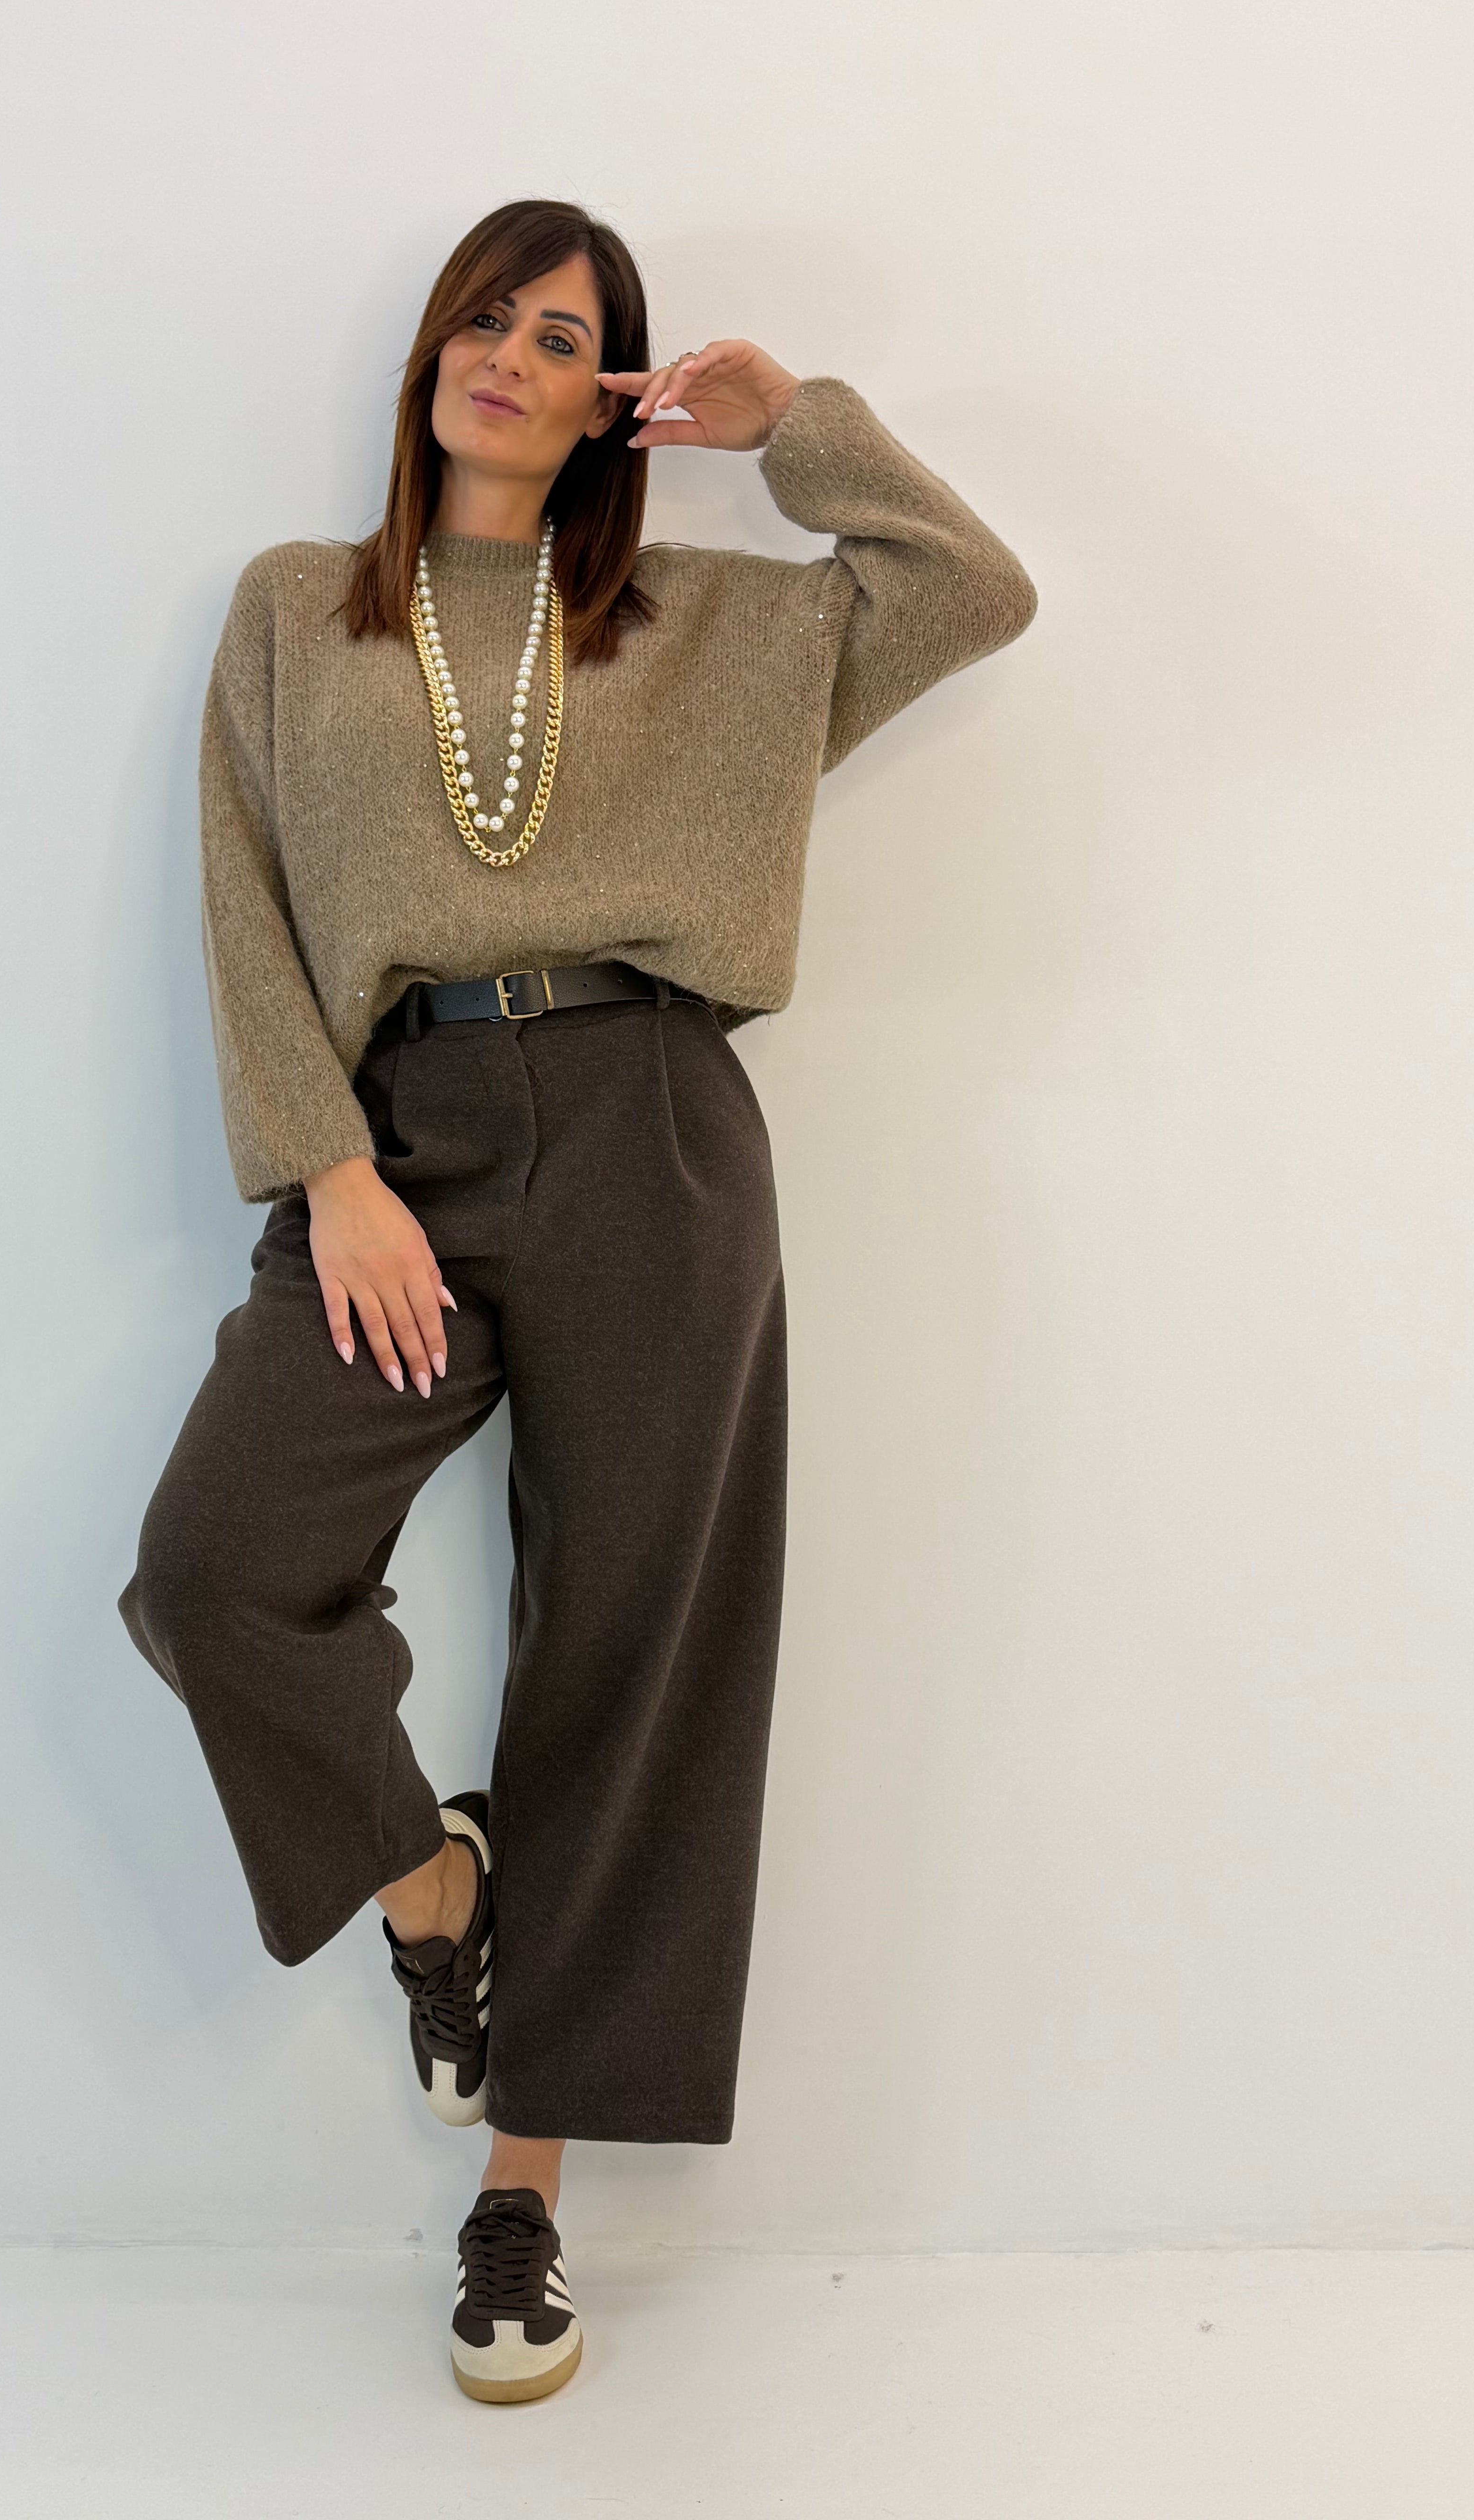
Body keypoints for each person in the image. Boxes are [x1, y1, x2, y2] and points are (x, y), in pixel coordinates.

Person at [119, 196, 1037, 2404]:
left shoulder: (708, 627)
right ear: (432, 346)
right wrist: (331, 1168)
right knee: (219, 1572)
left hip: (655, 1125)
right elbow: (243, 898)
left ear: (610, 393)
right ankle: (440, 1902)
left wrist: (789, 423)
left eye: (563, 336)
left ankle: (521, 2198)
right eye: (490, 316)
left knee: (631, 1646)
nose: (513, 357)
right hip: (397, 1146)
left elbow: (968, 590)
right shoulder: (295, 611)